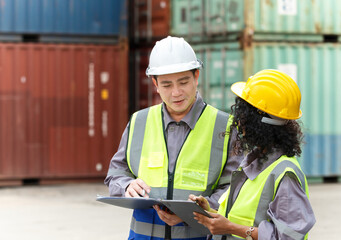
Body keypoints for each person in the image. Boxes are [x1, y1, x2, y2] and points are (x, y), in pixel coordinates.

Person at [104, 36, 240, 240]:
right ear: (155, 83)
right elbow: (116, 173)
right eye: (166, 85)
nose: (176, 93)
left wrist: (195, 212)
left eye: (183, 82)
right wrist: (126, 186)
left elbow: (236, 188)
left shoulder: (225, 126)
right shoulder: (139, 121)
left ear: (196, 76)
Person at [191, 69, 316, 239]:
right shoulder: (254, 162)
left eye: (244, 115)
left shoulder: (284, 174)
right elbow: (241, 218)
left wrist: (232, 228)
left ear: (261, 123)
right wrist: (210, 212)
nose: (239, 121)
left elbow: (288, 236)